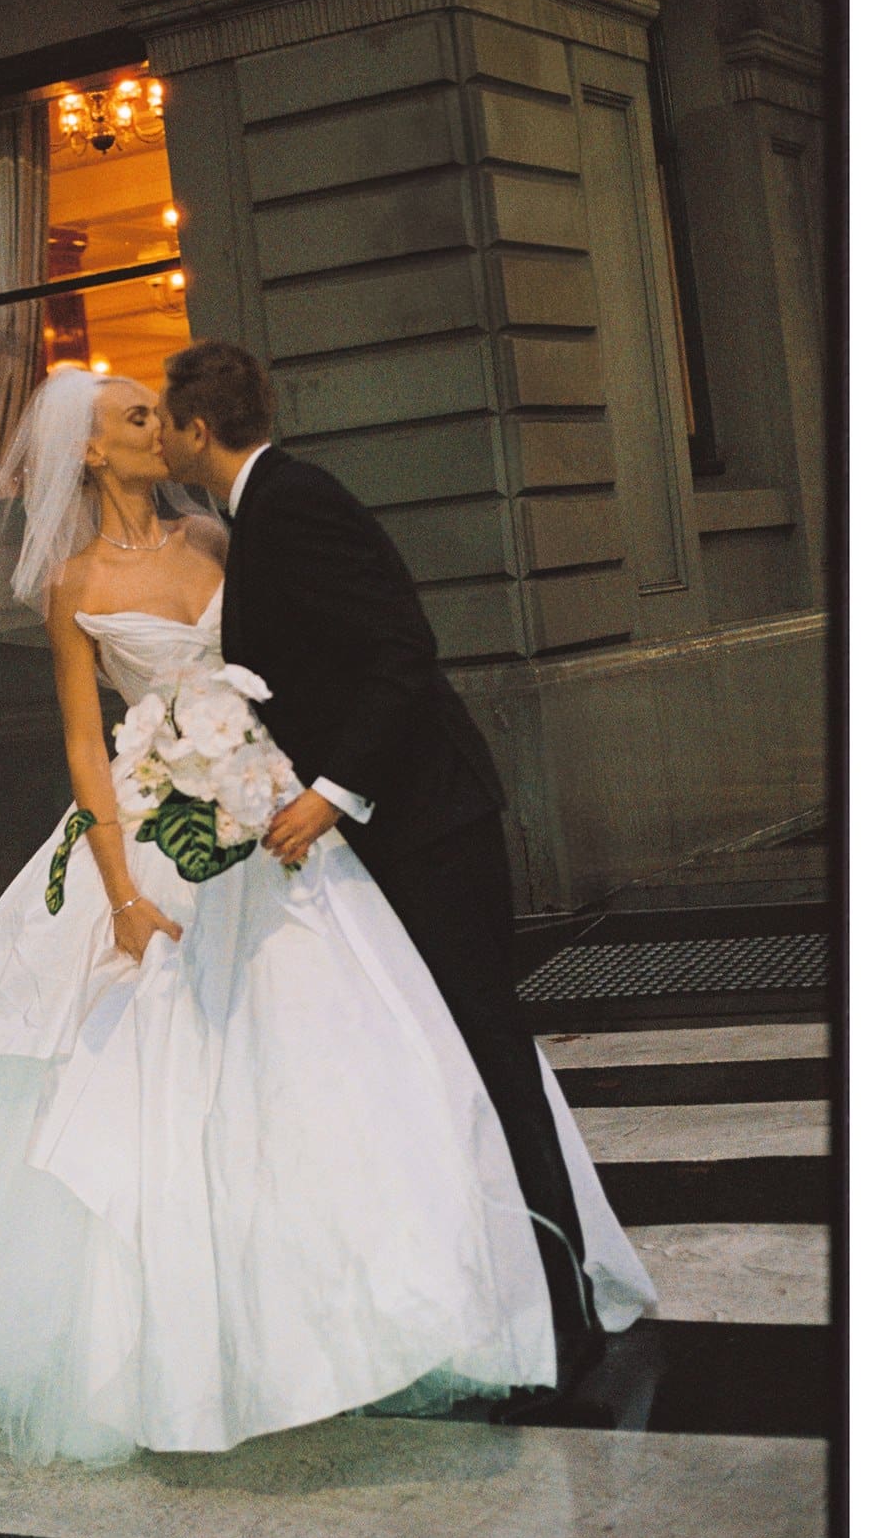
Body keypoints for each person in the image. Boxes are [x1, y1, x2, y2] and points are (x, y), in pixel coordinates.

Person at [0, 364, 654, 1465]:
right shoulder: (71, 581)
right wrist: (122, 891)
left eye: (154, 409)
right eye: (131, 414)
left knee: (356, 1046)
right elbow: (84, 741)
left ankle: (420, 1301)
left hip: (273, 811)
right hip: (152, 830)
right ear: (92, 448)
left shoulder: (223, 539)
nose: (149, 423)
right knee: (163, 1090)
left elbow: (297, 662)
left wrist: (295, 781)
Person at [156, 339, 607, 1413]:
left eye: (165, 421)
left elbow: (402, 648)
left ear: (194, 428)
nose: (163, 438)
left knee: (489, 1047)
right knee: (452, 1055)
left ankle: (564, 1307)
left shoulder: (293, 501)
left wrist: (334, 790)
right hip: (392, 824)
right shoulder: (263, 509)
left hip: (425, 817)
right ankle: (517, 1295)